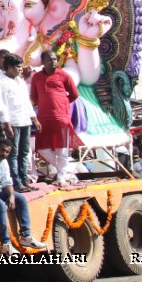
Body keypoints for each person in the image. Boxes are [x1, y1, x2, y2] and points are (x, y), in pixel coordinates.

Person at [0, 137, 47, 255]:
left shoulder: (3, 161)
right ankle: (5, 243)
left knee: (20, 198)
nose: (4, 154)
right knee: (0, 205)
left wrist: (11, 196)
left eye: (7, 152)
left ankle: (26, 236)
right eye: (2, 150)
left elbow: (7, 182)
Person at [29, 49, 79, 185]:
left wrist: (62, 102)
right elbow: (34, 97)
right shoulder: (37, 77)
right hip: (44, 119)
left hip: (61, 118)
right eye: (50, 60)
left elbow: (74, 94)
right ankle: (66, 171)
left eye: (55, 59)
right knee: (42, 149)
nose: (53, 62)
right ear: (43, 62)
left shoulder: (64, 75)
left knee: (61, 149)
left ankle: (61, 178)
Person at [0, 54, 38, 191]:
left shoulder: (20, 82)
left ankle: (24, 180)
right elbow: (2, 105)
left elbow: (27, 102)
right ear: (9, 67)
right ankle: (16, 182)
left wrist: (34, 119)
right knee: (13, 153)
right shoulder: (2, 82)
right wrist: (6, 124)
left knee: (25, 152)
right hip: (13, 122)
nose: (21, 69)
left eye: (21, 66)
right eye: (17, 66)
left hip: (25, 121)